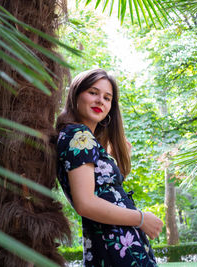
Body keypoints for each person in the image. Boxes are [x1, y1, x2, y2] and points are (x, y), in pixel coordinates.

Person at [56, 69, 163, 266]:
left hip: (118, 245)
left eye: (107, 98)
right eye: (93, 92)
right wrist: (141, 218)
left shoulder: (83, 138)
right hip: (117, 246)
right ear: (75, 95)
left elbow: (104, 191)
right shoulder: (78, 135)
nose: (100, 101)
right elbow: (85, 203)